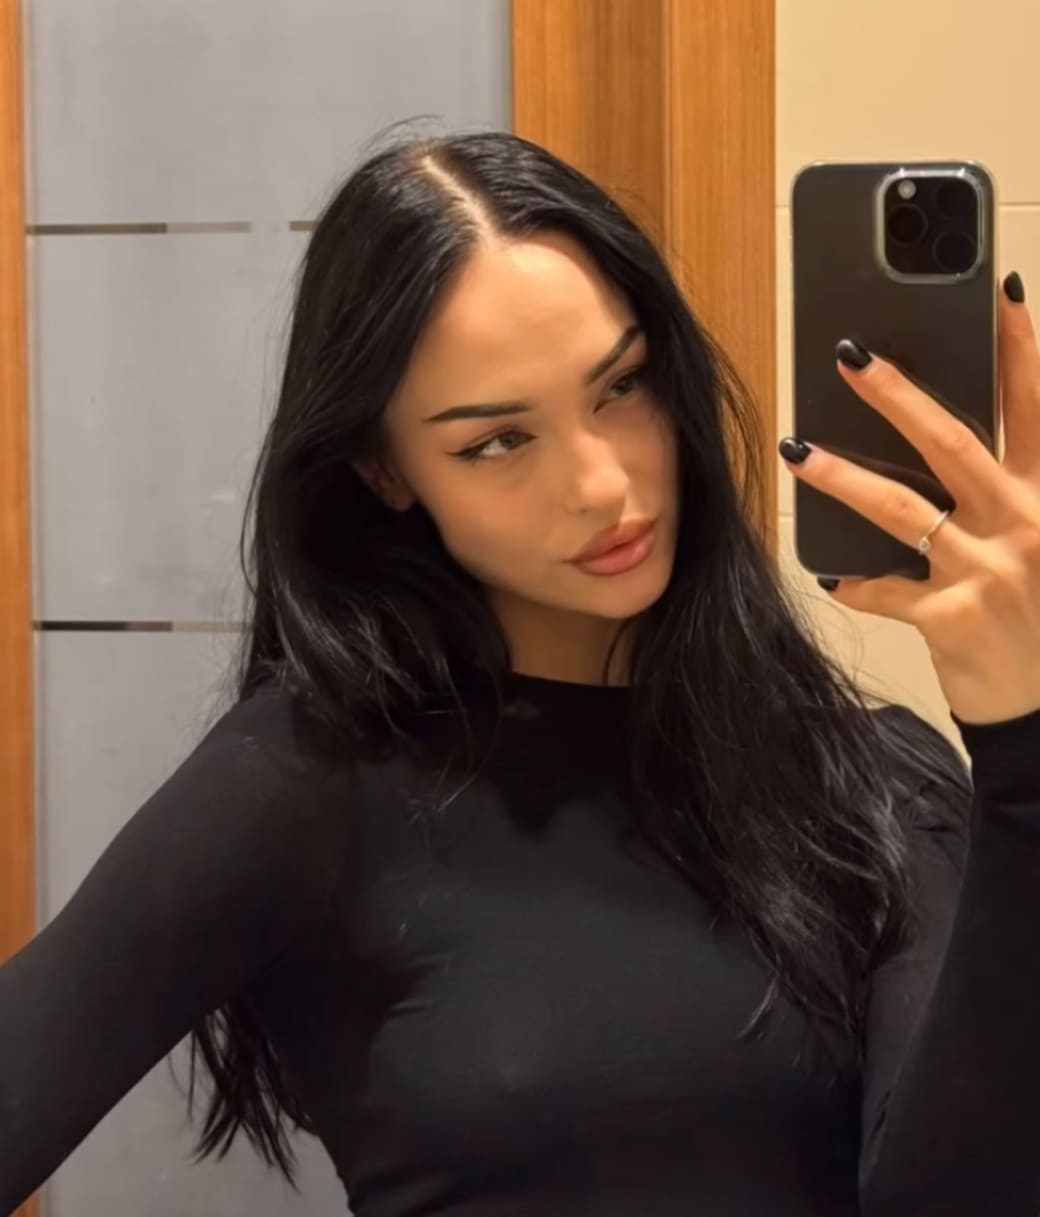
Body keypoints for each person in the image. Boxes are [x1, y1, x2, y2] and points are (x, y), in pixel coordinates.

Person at [2, 123, 1040, 1217]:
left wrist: (1022, 740)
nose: (600, 484)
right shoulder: (306, 782)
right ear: (385, 471)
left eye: (621, 386)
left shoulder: (876, 779)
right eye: (497, 440)